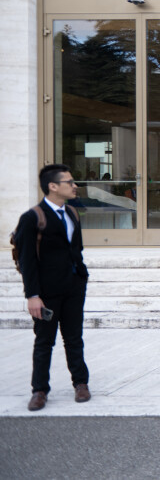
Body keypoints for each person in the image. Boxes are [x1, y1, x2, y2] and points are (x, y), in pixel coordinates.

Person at [14, 164, 90, 412]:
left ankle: (80, 383)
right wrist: (32, 295)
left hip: (73, 288)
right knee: (44, 341)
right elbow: (27, 260)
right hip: (46, 292)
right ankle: (39, 390)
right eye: (69, 182)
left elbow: (75, 250)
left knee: (74, 338)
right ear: (53, 186)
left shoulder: (72, 213)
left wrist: (81, 276)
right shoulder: (32, 217)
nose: (74, 185)